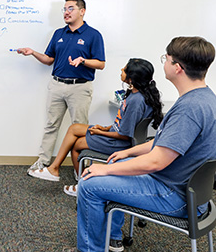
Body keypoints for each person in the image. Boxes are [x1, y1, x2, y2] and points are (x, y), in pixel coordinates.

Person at [60, 36, 216, 252]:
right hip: (187, 189)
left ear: (177, 68)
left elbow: (156, 162)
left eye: (167, 58)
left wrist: (104, 170)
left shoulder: (189, 109)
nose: (164, 62)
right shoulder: (205, 98)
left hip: (173, 194)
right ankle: (111, 238)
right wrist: (128, 152)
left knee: (89, 183)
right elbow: (167, 142)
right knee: (114, 165)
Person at [29, 58, 163, 197]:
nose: (121, 70)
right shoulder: (136, 95)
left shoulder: (136, 101)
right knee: (74, 128)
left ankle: (82, 184)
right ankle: (55, 169)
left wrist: (100, 132)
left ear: (132, 78)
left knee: (76, 145)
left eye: (124, 69)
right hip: (116, 135)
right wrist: (105, 129)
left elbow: (124, 134)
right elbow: (124, 124)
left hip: (120, 144)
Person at [17, 0, 105, 174]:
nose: (66, 12)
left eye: (70, 8)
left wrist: (83, 61)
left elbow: (101, 63)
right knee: (51, 125)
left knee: (79, 127)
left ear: (82, 11)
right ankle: (42, 162)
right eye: (64, 9)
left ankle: (79, 166)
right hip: (57, 85)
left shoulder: (93, 35)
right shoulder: (58, 34)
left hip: (80, 88)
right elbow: (49, 59)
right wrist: (33, 52)